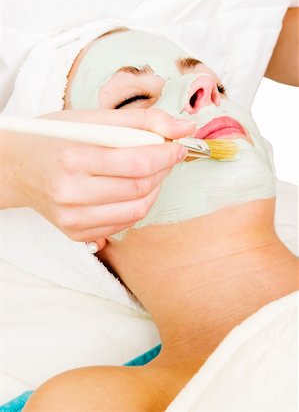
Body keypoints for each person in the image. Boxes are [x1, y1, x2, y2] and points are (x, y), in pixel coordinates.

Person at [22, 27, 298, 412]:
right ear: (83, 218)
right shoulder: (96, 402)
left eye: (219, 84)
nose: (206, 88)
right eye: (135, 98)